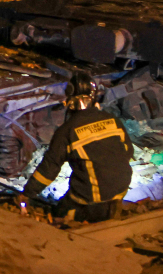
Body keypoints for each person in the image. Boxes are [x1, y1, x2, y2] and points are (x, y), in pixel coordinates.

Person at [20, 71, 134, 222]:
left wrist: (27, 193)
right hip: (121, 190)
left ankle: (75, 216)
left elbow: (49, 169)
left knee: (59, 213)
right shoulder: (113, 120)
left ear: (69, 102)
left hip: (91, 196)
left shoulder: (67, 131)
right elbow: (128, 152)